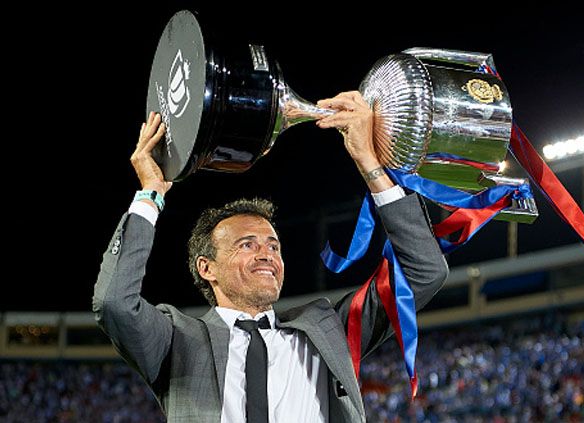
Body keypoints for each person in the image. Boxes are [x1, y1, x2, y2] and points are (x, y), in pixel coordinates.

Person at [93, 91, 448, 422]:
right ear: (207, 268)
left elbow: (423, 272)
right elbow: (115, 303)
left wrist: (368, 161)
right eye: (247, 244)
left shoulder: (328, 330)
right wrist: (151, 193)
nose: (266, 254)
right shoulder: (176, 340)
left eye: (273, 246)